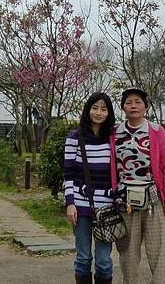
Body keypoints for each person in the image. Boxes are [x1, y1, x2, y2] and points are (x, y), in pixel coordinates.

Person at [110, 88, 165, 284]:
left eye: (138, 102)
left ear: (146, 107)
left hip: (154, 201)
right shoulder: (114, 133)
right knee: (128, 255)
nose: (133, 105)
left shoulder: (157, 132)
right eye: (129, 102)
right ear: (123, 107)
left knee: (161, 252)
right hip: (126, 202)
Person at [64, 92, 117, 284]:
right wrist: (70, 203)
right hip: (80, 205)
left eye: (104, 109)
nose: (98, 112)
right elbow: (68, 173)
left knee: (104, 261)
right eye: (95, 108)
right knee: (83, 257)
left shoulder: (113, 138)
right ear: (88, 110)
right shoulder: (74, 137)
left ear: (109, 113)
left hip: (107, 208)